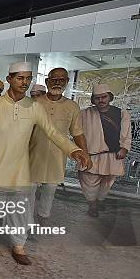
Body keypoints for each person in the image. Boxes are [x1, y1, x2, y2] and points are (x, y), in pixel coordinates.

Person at [0, 62, 90, 265]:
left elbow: (53, 132)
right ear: (9, 79)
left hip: (20, 167)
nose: (24, 82)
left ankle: (18, 245)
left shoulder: (34, 106)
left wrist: (74, 149)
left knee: (20, 208)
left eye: (28, 78)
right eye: (20, 78)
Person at [29, 68, 90, 224]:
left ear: (67, 82)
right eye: (54, 79)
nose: (57, 83)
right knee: (29, 189)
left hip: (58, 155)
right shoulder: (34, 103)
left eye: (61, 80)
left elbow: (77, 132)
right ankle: (26, 221)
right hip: (34, 153)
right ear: (47, 82)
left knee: (50, 190)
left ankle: (42, 219)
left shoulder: (72, 106)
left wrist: (85, 153)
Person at [78, 83, 131, 217]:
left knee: (107, 181)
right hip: (91, 154)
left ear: (110, 97)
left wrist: (125, 147)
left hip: (113, 154)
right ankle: (92, 205)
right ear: (93, 100)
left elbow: (126, 133)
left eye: (104, 97)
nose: (101, 100)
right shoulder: (84, 114)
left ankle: (99, 199)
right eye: (97, 98)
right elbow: (76, 132)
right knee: (88, 180)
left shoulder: (121, 113)